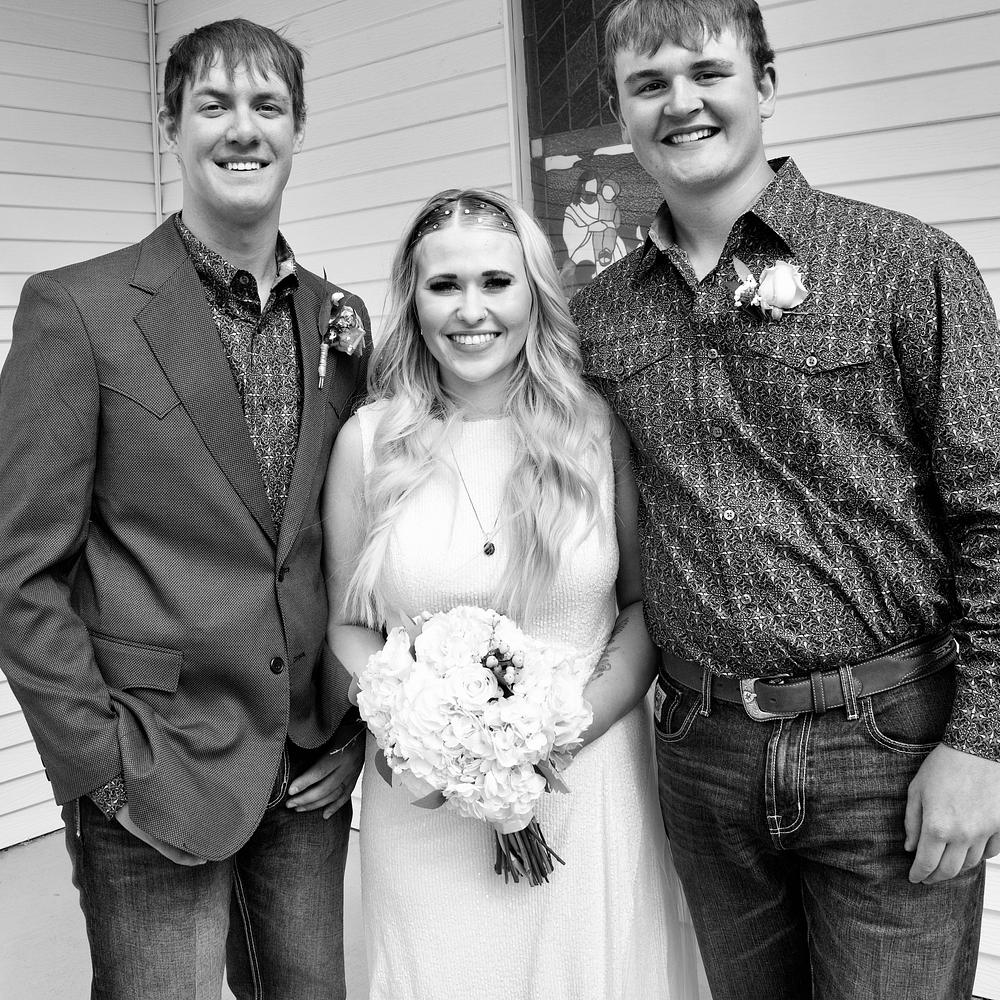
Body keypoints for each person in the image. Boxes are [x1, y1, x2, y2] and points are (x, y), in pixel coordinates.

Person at [570, 1, 1000, 997]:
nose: (680, 103)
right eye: (648, 84)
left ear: (763, 83)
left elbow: (991, 510)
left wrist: (982, 742)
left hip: (887, 743)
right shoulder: (598, 316)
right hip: (703, 750)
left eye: (706, 73)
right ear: (620, 113)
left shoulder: (902, 265)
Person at [0, 19, 369, 1000]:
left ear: (297, 128)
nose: (243, 128)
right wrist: (99, 766)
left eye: (267, 105)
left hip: (306, 764)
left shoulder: (338, 319)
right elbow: (19, 568)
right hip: (152, 762)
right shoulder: (78, 310)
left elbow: (347, 543)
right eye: (214, 104)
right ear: (172, 124)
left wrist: (355, 726)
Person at [323, 188, 709, 999]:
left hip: (588, 786)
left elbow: (641, 609)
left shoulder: (594, 427)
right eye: (444, 286)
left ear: (534, 293)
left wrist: (546, 740)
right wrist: (424, 732)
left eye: (497, 282)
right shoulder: (368, 441)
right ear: (414, 300)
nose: (472, 311)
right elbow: (348, 626)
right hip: (427, 804)